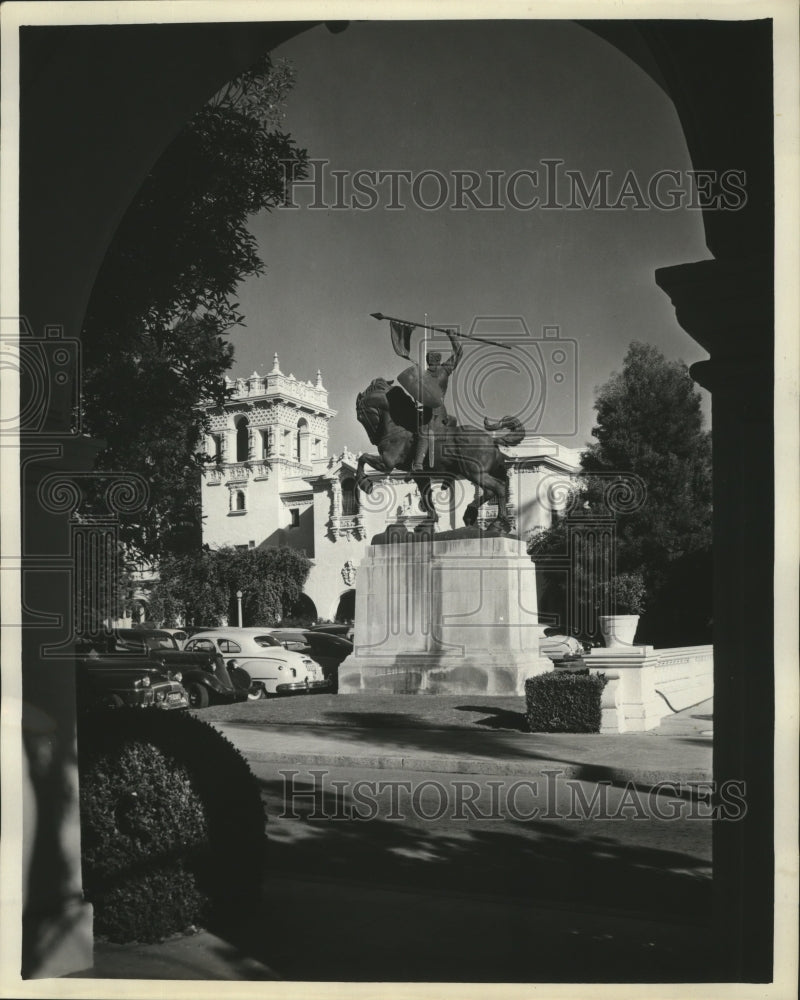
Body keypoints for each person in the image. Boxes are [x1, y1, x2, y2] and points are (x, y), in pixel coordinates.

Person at [409, 331, 463, 472]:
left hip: (431, 413)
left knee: (423, 431)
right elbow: (459, 353)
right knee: (452, 421)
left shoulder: (424, 375)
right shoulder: (445, 369)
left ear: (428, 361)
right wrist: (452, 336)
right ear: (439, 360)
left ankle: (418, 463)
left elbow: (417, 394)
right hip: (443, 412)